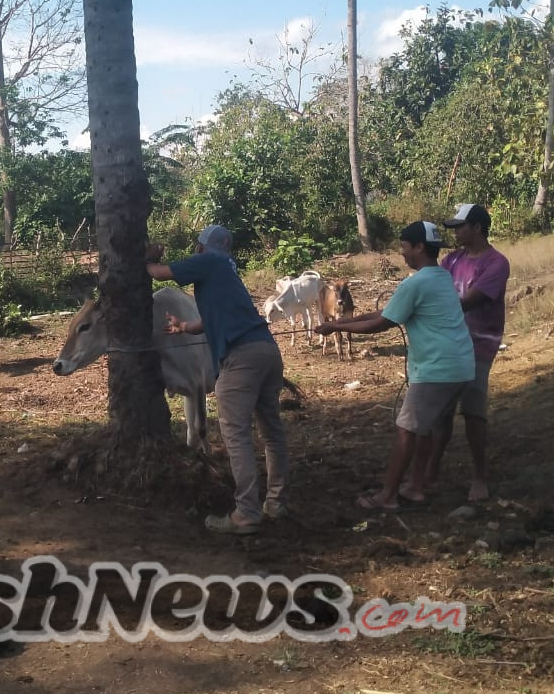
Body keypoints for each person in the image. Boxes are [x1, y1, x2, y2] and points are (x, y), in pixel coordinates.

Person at [316, 221, 474, 512]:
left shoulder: (416, 282)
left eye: (404, 246)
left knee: (406, 429)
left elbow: (382, 323)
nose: (401, 252)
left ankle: (387, 496)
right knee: (423, 428)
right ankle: (415, 487)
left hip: (436, 371)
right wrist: (338, 323)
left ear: (419, 247)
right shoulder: (441, 277)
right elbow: (385, 311)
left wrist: (334, 329)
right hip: (461, 366)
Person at [146, 225, 289, 534]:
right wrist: (184, 327)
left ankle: (247, 513)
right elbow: (215, 318)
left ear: (201, 246)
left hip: (240, 359)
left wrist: (146, 258)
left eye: (198, 244)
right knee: (271, 430)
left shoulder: (206, 262)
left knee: (235, 435)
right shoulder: (227, 268)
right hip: (267, 351)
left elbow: (158, 274)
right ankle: (276, 502)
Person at [418, 203, 510, 503]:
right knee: (440, 414)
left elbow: (467, 302)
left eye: (460, 227)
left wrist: (418, 310)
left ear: (477, 228)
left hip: (479, 342)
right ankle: (431, 471)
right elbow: (434, 288)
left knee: (473, 411)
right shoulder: (451, 259)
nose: (455, 232)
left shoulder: (496, 263)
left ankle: (479, 476)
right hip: (450, 342)